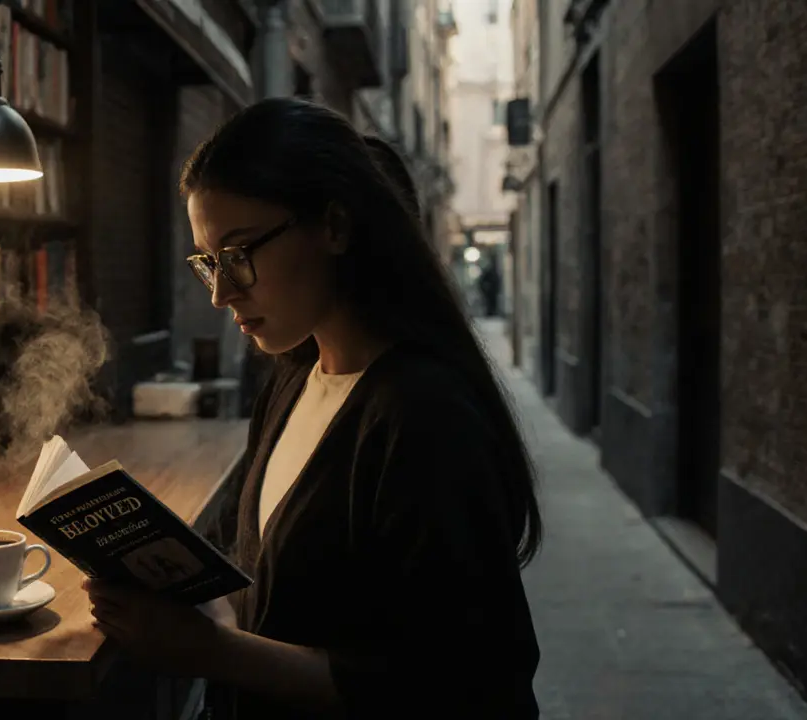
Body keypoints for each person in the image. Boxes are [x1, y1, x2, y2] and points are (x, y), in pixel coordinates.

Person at [84, 98, 542, 718]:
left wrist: (215, 652)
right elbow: (279, 597)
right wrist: (189, 599)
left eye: (240, 253)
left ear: (334, 226)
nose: (221, 293)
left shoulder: (426, 417)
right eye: (208, 263)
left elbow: (458, 685)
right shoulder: (295, 378)